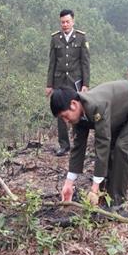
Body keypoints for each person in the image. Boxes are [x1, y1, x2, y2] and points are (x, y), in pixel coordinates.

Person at [50, 80, 128, 215]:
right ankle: (105, 196)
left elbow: (102, 143)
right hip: (124, 112)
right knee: (112, 149)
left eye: (64, 116)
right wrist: (69, 183)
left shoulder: (97, 106)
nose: (65, 121)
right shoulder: (80, 113)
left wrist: (94, 188)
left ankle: (117, 204)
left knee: (122, 149)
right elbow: (78, 147)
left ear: (73, 104)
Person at [46, 9, 90, 156]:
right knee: (61, 112)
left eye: (67, 22)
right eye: (62, 22)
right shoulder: (55, 39)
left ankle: (78, 141)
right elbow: (52, 63)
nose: (65, 24)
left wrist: (85, 84)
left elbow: (85, 63)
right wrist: (49, 84)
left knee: (77, 110)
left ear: (73, 21)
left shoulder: (81, 38)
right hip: (59, 81)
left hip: (75, 81)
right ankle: (64, 145)